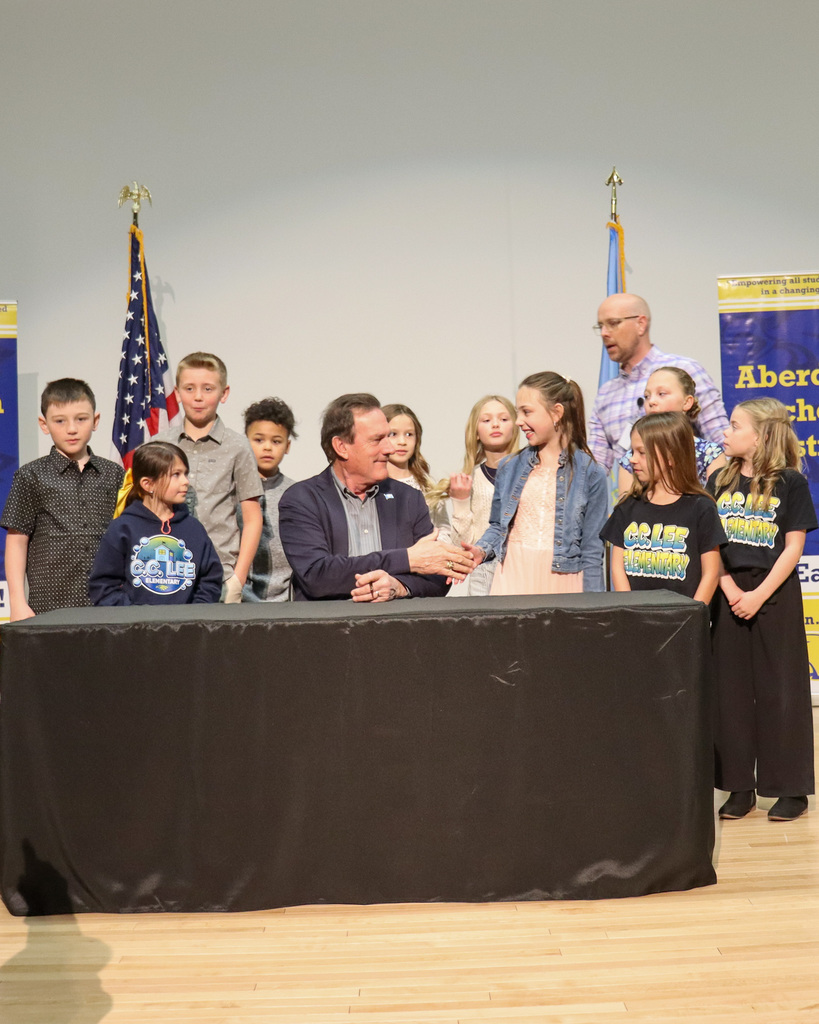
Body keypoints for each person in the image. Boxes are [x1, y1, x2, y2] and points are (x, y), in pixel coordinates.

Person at [707, 399, 817, 822]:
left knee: (781, 690)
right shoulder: (720, 480)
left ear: (761, 435)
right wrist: (730, 587)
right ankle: (739, 786)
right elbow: (711, 545)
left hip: (774, 591)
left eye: (735, 426)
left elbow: (793, 547)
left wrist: (758, 594)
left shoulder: (790, 482)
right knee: (730, 692)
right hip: (729, 587)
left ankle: (789, 788)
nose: (726, 433)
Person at [278, 393, 473, 601]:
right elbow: (317, 575)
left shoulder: (409, 499)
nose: (389, 448)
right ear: (341, 447)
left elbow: (436, 575)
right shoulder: (303, 500)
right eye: (377, 439)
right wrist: (407, 559)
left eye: (387, 437)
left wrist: (399, 586)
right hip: (328, 630)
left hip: (396, 630)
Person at [464, 372, 607, 594]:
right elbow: (498, 527)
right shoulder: (509, 467)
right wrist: (481, 551)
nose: (519, 421)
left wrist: (595, 606)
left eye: (527, 412)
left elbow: (592, 550)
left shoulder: (590, 473)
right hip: (513, 577)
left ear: (556, 412)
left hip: (563, 583)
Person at [1, 378, 123, 620]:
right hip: (51, 605)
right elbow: (17, 541)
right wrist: (17, 601)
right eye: (60, 421)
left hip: (108, 604)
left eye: (81, 419)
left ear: (95, 420)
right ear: (44, 424)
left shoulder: (114, 474)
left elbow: (126, 536)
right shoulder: (30, 475)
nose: (72, 429)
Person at [154, 352, 262, 603]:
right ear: (177, 393)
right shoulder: (160, 445)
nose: (198, 397)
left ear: (224, 393)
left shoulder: (237, 446)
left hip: (220, 573)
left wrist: (238, 578)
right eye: (189, 388)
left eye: (208, 388)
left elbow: (252, 516)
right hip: (168, 574)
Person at [589, 293, 728, 472]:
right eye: (600, 326)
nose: (604, 333)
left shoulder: (684, 369)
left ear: (641, 324)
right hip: (633, 496)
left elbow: (721, 443)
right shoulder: (606, 394)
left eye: (613, 323)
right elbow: (596, 468)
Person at [601, 412, 726, 601]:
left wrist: (691, 617)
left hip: (685, 621)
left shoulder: (702, 508)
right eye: (632, 452)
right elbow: (617, 569)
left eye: (642, 453)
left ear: (670, 456)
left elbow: (711, 574)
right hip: (637, 619)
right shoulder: (627, 507)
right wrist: (629, 610)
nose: (632, 459)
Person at [89, 442, 222, 605]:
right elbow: (103, 586)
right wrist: (132, 617)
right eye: (176, 474)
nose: (186, 481)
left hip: (186, 628)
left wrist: (193, 614)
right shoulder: (123, 528)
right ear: (148, 484)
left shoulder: (194, 529)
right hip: (134, 628)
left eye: (185, 474)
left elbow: (210, 581)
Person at [447, 395, 520, 596]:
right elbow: (461, 545)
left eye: (504, 419)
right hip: (485, 573)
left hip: (523, 568)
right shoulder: (470, 479)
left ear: (516, 426)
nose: (496, 424)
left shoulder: (530, 472)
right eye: (486, 420)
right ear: (476, 432)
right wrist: (460, 502)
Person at [617, 366, 726, 495]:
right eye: (647, 396)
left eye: (661, 394)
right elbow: (625, 510)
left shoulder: (710, 454)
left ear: (687, 402)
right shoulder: (631, 460)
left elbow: (716, 506)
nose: (651, 401)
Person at [239, 397, 296, 602]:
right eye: (259, 440)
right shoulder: (231, 491)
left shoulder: (297, 493)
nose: (267, 448)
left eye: (276, 441)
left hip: (286, 600)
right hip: (239, 599)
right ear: (244, 441)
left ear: (287, 445)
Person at [382, 403, 455, 543]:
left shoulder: (427, 487)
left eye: (409, 435)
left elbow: (444, 529)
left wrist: (432, 544)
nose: (402, 442)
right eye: (393, 434)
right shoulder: (372, 487)